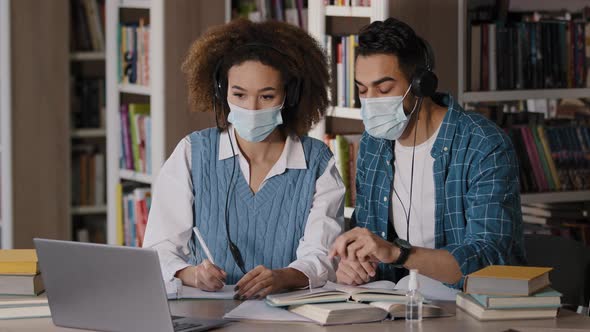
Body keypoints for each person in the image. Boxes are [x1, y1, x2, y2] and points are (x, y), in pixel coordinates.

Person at [143, 19, 345, 300]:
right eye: (239, 94)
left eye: (267, 96)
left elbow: (323, 255)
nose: (251, 108)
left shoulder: (318, 162)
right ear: (221, 92)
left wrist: (282, 277)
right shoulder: (193, 152)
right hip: (207, 309)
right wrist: (191, 274)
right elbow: (159, 248)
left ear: (290, 95)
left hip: (288, 315)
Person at [329, 18, 526, 289]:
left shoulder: (483, 143)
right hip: (397, 307)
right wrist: (353, 266)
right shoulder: (374, 144)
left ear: (421, 84)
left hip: (470, 307)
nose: (372, 101)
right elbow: (370, 241)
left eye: (384, 89)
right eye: (362, 90)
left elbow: (489, 257)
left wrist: (398, 254)